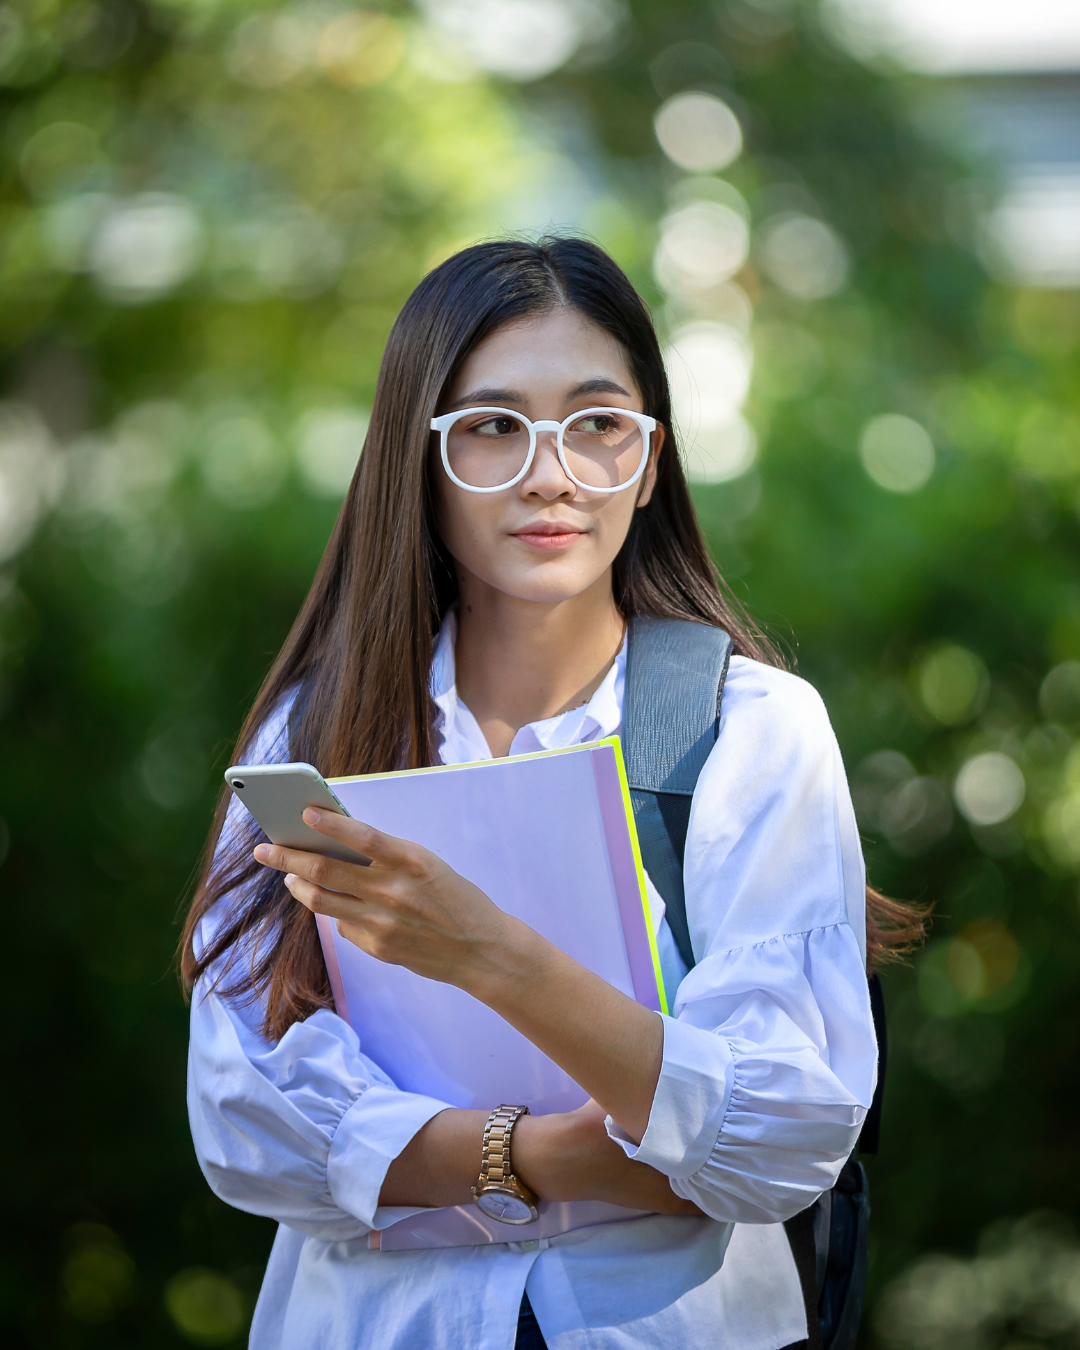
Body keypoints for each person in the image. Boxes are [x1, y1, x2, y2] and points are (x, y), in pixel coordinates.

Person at [181, 237, 919, 1349]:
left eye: (598, 423)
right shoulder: (316, 737)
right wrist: (547, 1155)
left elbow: (779, 1135)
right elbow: (245, 1120)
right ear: (416, 459)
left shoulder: (749, 731)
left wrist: (485, 955)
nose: (551, 472)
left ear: (652, 458)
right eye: (490, 426)